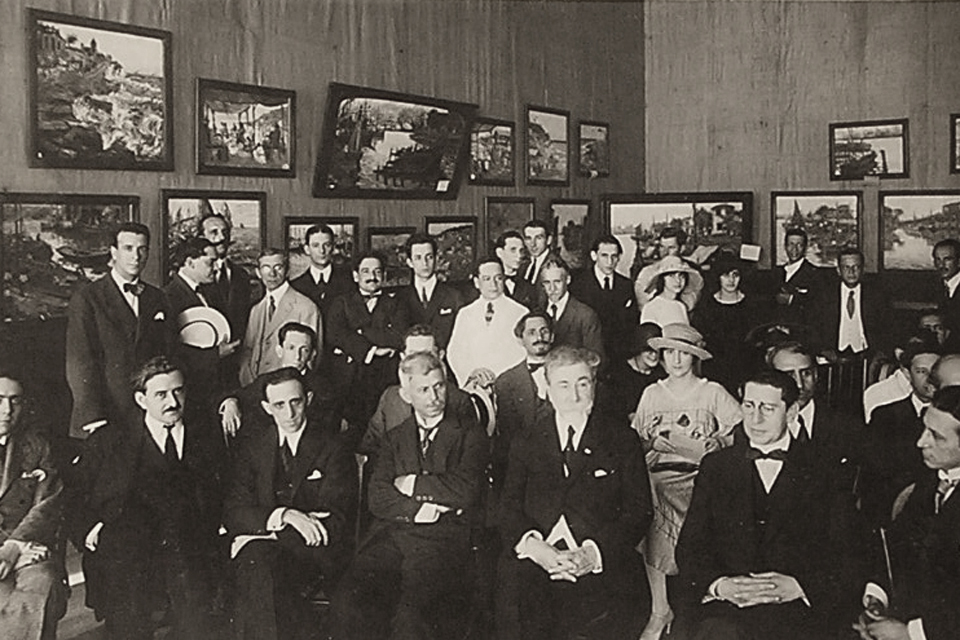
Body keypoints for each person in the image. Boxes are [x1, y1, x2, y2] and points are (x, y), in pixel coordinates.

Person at [675, 369, 863, 640]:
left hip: (796, 607)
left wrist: (800, 586)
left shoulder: (825, 470)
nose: (756, 419)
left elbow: (847, 552)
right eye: (749, 406)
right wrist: (720, 585)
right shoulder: (716, 467)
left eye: (768, 408)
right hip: (728, 608)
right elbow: (691, 547)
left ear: (791, 412)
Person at [497, 346, 653, 640]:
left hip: (601, 562)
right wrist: (536, 548)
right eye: (564, 385)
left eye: (583, 383)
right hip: (539, 561)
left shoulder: (621, 439)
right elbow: (508, 508)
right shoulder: (526, 440)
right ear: (548, 390)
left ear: (594, 385)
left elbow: (638, 512)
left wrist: (592, 553)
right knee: (515, 602)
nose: (575, 395)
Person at [331, 352, 488, 640]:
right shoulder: (394, 438)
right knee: (349, 599)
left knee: (412, 615)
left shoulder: (470, 434)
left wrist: (412, 483)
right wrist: (419, 509)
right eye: (423, 390)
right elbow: (378, 496)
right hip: (393, 535)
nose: (434, 397)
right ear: (406, 393)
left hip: (444, 538)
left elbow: (467, 490)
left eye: (439, 387)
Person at [78, 357, 223, 640]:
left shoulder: (206, 433)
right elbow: (76, 493)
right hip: (130, 542)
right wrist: (91, 529)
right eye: (161, 395)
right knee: (128, 612)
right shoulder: (110, 440)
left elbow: (221, 489)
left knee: (197, 622)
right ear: (141, 400)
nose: (173, 402)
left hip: (190, 542)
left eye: (178, 391)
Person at [225, 367, 357, 640]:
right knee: (260, 569)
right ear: (266, 408)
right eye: (279, 405)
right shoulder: (253, 448)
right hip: (267, 554)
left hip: (313, 555)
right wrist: (286, 515)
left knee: (259, 570)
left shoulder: (333, 446)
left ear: (308, 398)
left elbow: (336, 520)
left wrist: (267, 532)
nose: (289, 413)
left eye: (295, 402)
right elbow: (234, 511)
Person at [631, 323, 741, 640]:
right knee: (650, 492)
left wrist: (720, 441)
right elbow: (633, 444)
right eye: (669, 353)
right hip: (659, 474)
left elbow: (741, 429)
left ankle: (701, 593)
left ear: (695, 357)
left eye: (684, 353)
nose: (676, 360)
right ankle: (660, 606)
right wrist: (651, 442)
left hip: (701, 474)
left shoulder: (712, 391)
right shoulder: (652, 393)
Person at [853, 385, 960, 640]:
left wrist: (913, 633)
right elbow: (894, 548)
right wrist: (877, 597)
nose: (921, 442)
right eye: (924, 429)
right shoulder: (929, 481)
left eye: (937, 436)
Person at [65, 222, 174, 439]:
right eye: (128, 248)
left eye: (142, 249)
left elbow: (168, 354)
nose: (136, 256)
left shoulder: (157, 297)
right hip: (106, 413)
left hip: (148, 412)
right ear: (114, 252)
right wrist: (93, 417)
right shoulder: (88, 298)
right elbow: (80, 362)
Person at [0, 370, 67, 640]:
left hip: (26, 547)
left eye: (15, 400)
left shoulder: (37, 446)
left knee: (43, 581)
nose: (7, 410)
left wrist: (14, 546)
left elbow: (48, 502)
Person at [359, 324, 478, 459]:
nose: (420, 363)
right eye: (412, 355)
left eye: (427, 355)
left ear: (440, 356)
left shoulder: (458, 401)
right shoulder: (391, 397)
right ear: (402, 357)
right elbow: (371, 448)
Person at [862, 331, 942, 528]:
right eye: (921, 372)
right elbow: (876, 477)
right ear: (907, 374)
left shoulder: (953, 415)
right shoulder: (886, 416)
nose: (930, 379)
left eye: (934, 372)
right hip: (898, 511)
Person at [325, 252, 410, 431]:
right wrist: (372, 350)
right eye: (366, 271)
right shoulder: (342, 302)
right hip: (349, 383)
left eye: (377, 272)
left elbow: (398, 336)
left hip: (385, 379)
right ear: (356, 276)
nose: (372, 276)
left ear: (384, 275)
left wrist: (360, 332)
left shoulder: (396, 303)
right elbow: (336, 334)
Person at [767, 341, 863, 493]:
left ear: (816, 375)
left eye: (806, 373)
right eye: (789, 375)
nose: (799, 384)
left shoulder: (845, 424)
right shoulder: (758, 425)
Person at [164, 237, 241, 417]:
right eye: (210, 262)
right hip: (190, 391)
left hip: (216, 391)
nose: (216, 268)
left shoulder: (211, 292)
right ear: (190, 262)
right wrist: (215, 354)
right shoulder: (167, 297)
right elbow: (170, 351)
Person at [811, 247, 890, 411]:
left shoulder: (877, 295)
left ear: (862, 269)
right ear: (838, 270)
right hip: (833, 356)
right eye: (846, 267)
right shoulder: (824, 295)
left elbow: (886, 327)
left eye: (856, 267)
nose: (851, 272)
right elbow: (813, 326)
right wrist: (824, 349)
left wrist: (878, 352)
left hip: (865, 357)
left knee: (861, 404)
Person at [219, 322, 323, 440]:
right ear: (279, 351)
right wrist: (231, 402)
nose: (297, 356)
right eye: (291, 348)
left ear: (312, 354)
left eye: (304, 350)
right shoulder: (265, 380)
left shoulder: (321, 388)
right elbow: (240, 395)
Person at [239, 249, 322, 386]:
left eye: (278, 267)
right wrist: (248, 382)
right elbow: (247, 351)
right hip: (255, 387)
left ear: (287, 271)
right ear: (258, 273)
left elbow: (312, 359)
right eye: (266, 267)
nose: (272, 273)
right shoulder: (256, 310)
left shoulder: (306, 307)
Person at [447, 257, 528, 388]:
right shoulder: (466, 313)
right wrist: (472, 373)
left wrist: (498, 377)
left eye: (498, 278)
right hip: (475, 384)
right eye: (487, 279)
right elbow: (455, 351)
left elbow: (523, 352)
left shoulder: (520, 312)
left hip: (509, 384)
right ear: (476, 282)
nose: (493, 284)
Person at [694, 253, 762, 396]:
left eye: (735, 275)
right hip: (715, 370)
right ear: (718, 277)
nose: (731, 280)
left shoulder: (752, 305)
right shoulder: (706, 305)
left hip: (746, 370)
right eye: (725, 275)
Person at [569, 235, 639, 368]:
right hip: (588, 356)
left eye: (614, 256)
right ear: (594, 256)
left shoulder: (626, 285)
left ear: (619, 257)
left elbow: (632, 322)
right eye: (604, 256)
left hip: (619, 358)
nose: (609, 261)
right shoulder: (578, 284)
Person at [197, 213, 254, 354]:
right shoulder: (195, 276)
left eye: (225, 232)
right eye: (214, 232)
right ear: (201, 237)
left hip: (238, 356)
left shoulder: (241, 275)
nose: (221, 238)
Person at [396, 233, 464, 348]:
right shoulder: (399, 298)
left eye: (429, 257)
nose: (425, 263)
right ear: (409, 262)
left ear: (436, 259)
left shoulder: (454, 296)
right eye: (418, 258)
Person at [599, 323, 666, 425]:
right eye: (648, 350)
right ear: (638, 349)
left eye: (658, 351)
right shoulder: (618, 374)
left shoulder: (662, 374)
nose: (654, 355)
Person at [539, 257, 604, 360]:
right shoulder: (537, 311)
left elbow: (595, 359)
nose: (552, 288)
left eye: (557, 282)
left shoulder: (586, 315)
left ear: (568, 280)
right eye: (547, 282)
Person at [289, 224, 354, 316]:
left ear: (333, 248)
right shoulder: (296, 286)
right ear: (307, 249)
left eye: (327, 245)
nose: (322, 251)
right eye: (316, 245)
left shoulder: (349, 281)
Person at [768, 227, 827, 325]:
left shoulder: (815, 275)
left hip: (801, 331)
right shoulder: (776, 273)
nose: (794, 249)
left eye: (799, 245)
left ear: (805, 248)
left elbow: (819, 307)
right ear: (785, 246)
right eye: (791, 244)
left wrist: (791, 299)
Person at [638, 256, 703, 328]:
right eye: (671, 276)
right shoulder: (651, 307)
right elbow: (647, 333)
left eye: (681, 276)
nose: (678, 281)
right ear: (662, 279)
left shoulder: (681, 306)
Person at [495, 231, 537, 308]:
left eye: (521, 250)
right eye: (513, 250)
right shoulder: (490, 284)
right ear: (499, 252)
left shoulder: (528, 287)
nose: (519, 255)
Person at [933, 238, 960, 351]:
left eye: (947, 259)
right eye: (938, 259)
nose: (941, 265)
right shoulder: (938, 286)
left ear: (959, 261)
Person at [521, 220, 555, 286]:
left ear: (549, 240)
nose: (533, 244)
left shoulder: (555, 265)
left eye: (538, 238)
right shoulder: (523, 265)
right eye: (528, 238)